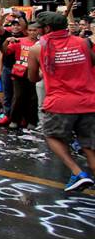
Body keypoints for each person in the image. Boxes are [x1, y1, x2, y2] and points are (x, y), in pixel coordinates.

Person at [26, 11, 95, 192]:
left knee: (52, 136)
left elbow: (32, 78)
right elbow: (91, 62)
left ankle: (77, 172)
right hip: (88, 101)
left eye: (40, 27)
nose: (38, 30)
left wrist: (44, 72)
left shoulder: (37, 48)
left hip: (60, 103)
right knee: (89, 146)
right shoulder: (82, 43)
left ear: (47, 28)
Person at [5, 21, 39, 130]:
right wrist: (6, 42)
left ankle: (32, 121)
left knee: (33, 98)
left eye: (34, 30)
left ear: (38, 31)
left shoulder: (41, 43)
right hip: (19, 73)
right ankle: (14, 120)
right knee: (18, 96)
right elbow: (5, 52)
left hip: (34, 73)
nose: (32, 32)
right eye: (30, 30)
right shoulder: (19, 41)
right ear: (26, 31)